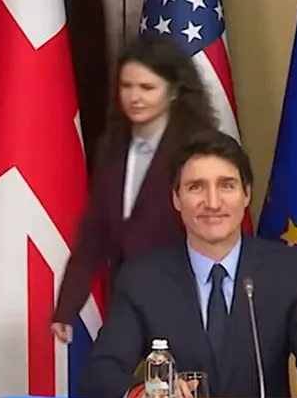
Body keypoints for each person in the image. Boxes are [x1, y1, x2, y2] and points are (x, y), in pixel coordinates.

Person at [79, 130, 297, 398]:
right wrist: (142, 393)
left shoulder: (288, 269)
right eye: (196, 187)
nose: (213, 203)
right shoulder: (143, 276)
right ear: (176, 198)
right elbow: (101, 372)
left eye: (226, 186)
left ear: (246, 195)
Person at [51, 34, 218, 342]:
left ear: (173, 91)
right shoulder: (111, 147)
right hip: (125, 300)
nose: (134, 97)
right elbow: (94, 232)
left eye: (147, 87)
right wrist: (67, 306)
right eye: (127, 87)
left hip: (184, 303)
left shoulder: (199, 147)